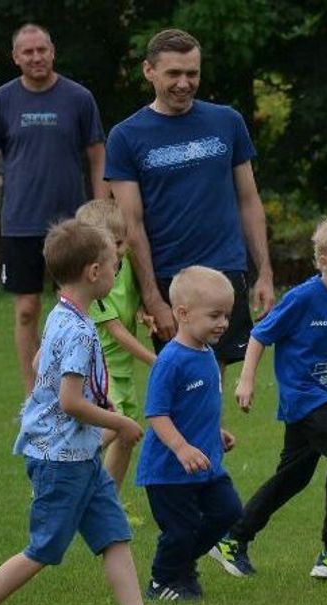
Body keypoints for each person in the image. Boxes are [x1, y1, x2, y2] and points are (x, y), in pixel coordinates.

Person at [0, 219, 186, 605]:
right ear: (95, 272)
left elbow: (42, 366)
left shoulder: (62, 313)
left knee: (113, 534)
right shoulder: (78, 329)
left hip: (79, 456)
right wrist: (120, 421)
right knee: (44, 547)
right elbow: (69, 402)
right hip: (60, 460)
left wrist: (97, 404)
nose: (116, 273)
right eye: (113, 266)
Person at [209, 217, 327, 580]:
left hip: (319, 397)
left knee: (293, 477)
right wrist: (247, 379)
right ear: (324, 261)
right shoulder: (302, 298)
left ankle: (233, 539)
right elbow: (260, 335)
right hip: (304, 398)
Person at [106, 28, 275, 370]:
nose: (184, 83)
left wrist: (265, 273)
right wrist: (152, 297)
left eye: (192, 73)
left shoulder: (227, 121)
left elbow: (249, 201)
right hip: (171, 277)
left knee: (215, 377)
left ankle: (207, 427)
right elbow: (131, 224)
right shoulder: (125, 136)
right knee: (183, 377)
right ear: (149, 71)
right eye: (173, 73)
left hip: (226, 268)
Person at [0, 23, 108, 394]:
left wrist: (100, 215)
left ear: (53, 51)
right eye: (27, 52)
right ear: (15, 57)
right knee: (27, 308)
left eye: (41, 50)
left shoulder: (78, 98)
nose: (36, 57)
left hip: (73, 225)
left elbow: (98, 158)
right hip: (21, 223)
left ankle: (79, 387)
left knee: (80, 307)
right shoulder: (1, 101)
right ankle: (34, 395)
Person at [135, 266, 244, 601]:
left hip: (206, 462)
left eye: (227, 315)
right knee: (180, 530)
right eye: (215, 315)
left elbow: (200, 405)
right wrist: (181, 448)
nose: (223, 323)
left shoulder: (207, 355)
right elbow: (157, 414)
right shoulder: (170, 361)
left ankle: (178, 567)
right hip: (169, 470)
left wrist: (216, 431)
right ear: (182, 313)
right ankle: (162, 579)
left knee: (228, 511)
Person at [77, 199, 156, 516]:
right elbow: (116, 332)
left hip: (121, 373)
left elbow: (132, 305)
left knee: (127, 436)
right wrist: (154, 360)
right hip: (101, 370)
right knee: (115, 428)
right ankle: (63, 467)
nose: (124, 248)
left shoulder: (124, 268)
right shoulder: (93, 280)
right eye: (119, 242)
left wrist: (143, 314)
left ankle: (107, 504)